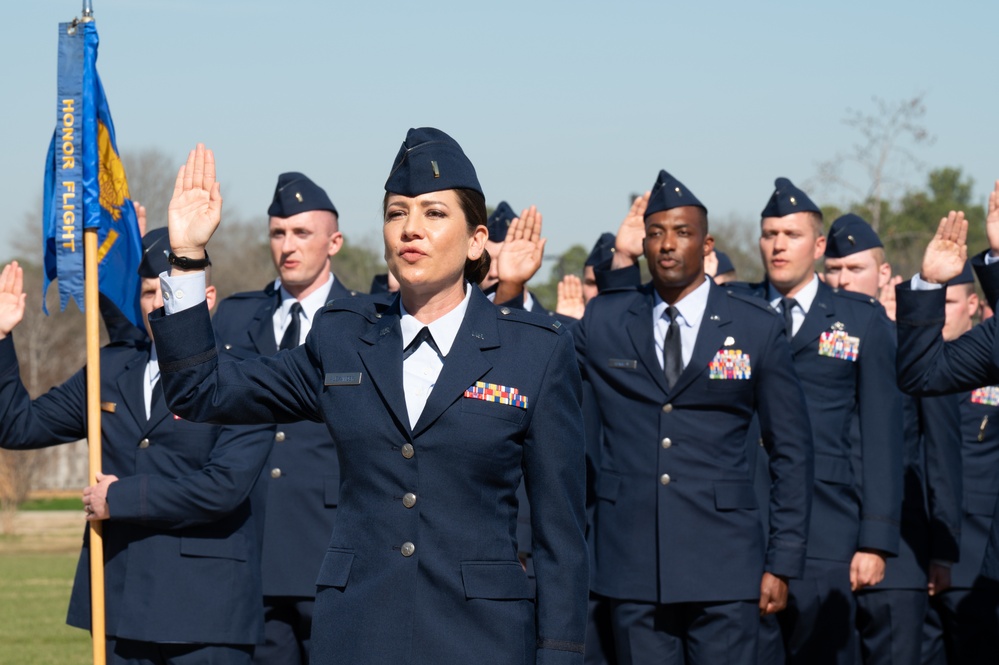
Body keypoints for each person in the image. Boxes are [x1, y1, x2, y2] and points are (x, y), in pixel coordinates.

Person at [148, 135, 588, 665]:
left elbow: (561, 536)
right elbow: (201, 391)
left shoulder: (533, 351)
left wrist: (559, 654)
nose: (411, 228)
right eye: (396, 212)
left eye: (434, 212)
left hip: (482, 637)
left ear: (476, 241)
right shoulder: (342, 338)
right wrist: (189, 258)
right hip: (358, 632)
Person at [574, 168, 813, 664]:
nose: (668, 245)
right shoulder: (607, 320)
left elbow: (791, 452)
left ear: (707, 243)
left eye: (682, 233)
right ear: (643, 244)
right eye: (657, 233)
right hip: (633, 565)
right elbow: (535, 354)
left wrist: (783, 562)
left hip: (726, 564)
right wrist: (508, 287)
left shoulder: (755, 326)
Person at [0, 229, 271, 664]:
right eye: (148, 292)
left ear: (208, 296)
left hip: (205, 613)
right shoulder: (109, 368)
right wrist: (0, 338)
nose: (158, 303)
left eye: (169, 289)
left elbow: (224, 487)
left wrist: (119, 497)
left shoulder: (244, 376)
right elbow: (17, 427)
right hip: (119, 603)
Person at [729, 178, 903, 665]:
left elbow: (881, 434)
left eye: (791, 234)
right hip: (740, 520)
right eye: (769, 234)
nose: (778, 244)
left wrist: (875, 539)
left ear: (818, 245)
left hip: (827, 526)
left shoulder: (860, 320)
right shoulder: (733, 311)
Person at [211, 172, 357, 664]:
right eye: (278, 233)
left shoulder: (365, 321)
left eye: (302, 233)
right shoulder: (234, 316)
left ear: (334, 242)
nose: (288, 246)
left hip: (334, 545)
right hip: (251, 541)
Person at [822, 214, 961, 665]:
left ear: (884, 275)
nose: (842, 280)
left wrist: (942, 549)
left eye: (855, 269)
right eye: (834, 270)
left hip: (901, 549)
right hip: (827, 550)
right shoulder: (808, 344)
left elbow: (940, 449)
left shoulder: (911, 344)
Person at [921, 261, 999, 665]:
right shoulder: (915, 363)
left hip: (978, 544)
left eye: (949, 302)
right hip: (915, 544)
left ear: (972, 304)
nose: (942, 312)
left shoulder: (990, 361)